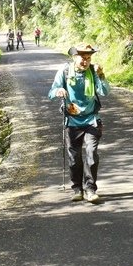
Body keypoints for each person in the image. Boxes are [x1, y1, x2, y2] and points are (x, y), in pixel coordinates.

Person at [48, 43, 110, 203]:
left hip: (91, 119)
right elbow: (51, 92)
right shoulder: (65, 71)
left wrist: (102, 75)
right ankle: (77, 189)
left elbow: (104, 92)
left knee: (91, 154)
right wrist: (58, 91)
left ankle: (90, 189)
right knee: (74, 158)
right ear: (75, 57)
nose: (86, 61)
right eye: (83, 58)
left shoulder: (93, 71)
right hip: (72, 120)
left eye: (88, 58)